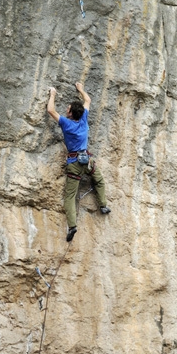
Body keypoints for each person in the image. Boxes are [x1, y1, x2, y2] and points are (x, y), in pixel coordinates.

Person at [47, 82, 111, 241]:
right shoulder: (83, 119)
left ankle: (73, 226)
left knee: (70, 196)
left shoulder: (66, 124)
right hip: (87, 161)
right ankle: (103, 205)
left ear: (70, 114)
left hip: (74, 164)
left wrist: (52, 94)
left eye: (68, 109)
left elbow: (50, 110)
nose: (66, 110)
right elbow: (88, 101)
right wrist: (81, 89)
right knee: (100, 181)